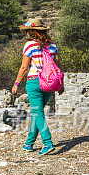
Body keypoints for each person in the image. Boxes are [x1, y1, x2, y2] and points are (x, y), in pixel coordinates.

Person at [11, 18, 62, 156]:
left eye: (28, 31)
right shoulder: (52, 45)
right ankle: (29, 143)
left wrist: (16, 84)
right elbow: (57, 66)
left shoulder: (30, 46)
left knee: (37, 112)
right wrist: (61, 84)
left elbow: (24, 67)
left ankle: (47, 143)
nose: (27, 33)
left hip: (34, 82)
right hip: (50, 83)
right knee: (36, 112)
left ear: (32, 32)